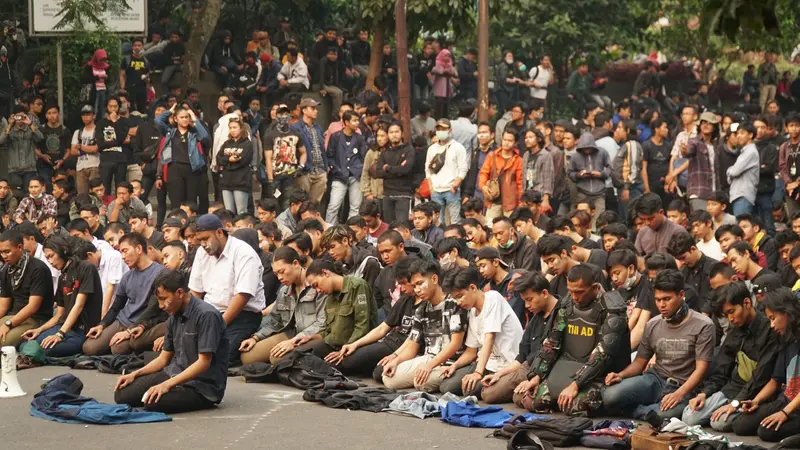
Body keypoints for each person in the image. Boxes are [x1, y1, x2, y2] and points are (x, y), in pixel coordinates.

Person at [516, 264, 629, 416]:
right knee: (529, 399)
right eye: (571, 291)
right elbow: (552, 342)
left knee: (574, 406)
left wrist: (575, 385)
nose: (574, 296)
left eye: (579, 292)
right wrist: (537, 376)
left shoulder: (612, 308)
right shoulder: (568, 303)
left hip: (603, 375)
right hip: (567, 367)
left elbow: (602, 355)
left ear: (594, 287)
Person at [603, 269, 715, 420]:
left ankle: (636, 411)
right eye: (658, 299)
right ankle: (646, 410)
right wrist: (620, 375)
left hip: (684, 386)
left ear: (681, 295)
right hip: (654, 380)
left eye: (667, 299)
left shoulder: (703, 325)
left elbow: (701, 369)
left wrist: (678, 394)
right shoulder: (653, 324)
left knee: (662, 414)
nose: (661, 305)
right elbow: (639, 363)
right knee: (610, 396)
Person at [113, 270, 229, 413]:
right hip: (174, 373)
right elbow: (163, 359)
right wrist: (135, 374)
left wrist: (166, 385)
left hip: (202, 386)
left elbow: (203, 362)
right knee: (122, 394)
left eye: (163, 299)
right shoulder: (173, 316)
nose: (161, 306)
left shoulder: (206, 315)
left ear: (179, 293)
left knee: (153, 402)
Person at [681, 281, 779, 429]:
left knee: (719, 423)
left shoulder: (769, 329)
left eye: (732, 311)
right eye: (726, 315)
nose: (730, 319)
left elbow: (761, 377)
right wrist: (704, 394)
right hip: (730, 389)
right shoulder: (735, 331)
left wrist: (735, 403)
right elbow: (721, 370)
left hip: (754, 394)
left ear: (746, 303)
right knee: (689, 416)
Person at [187, 214, 265, 365]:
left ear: (219, 233)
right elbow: (195, 292)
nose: (203, 244)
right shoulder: (201, 253)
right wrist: (190, 321)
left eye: (205, 239)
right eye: (200, 241)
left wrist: (217, 326)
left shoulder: (244, 253)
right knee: (188, 349)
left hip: (241, 316)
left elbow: (242, 296)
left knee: (218, 356)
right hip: (209, 313)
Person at [380, 259, 468, 392]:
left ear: (434, 279)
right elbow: (412, 346)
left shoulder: (453, 303)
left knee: (422, 383)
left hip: (452, 361)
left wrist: (429, 366)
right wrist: (396, 361)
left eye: (420, 284)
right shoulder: (421, 309)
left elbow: (455, 344)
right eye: (414, 286)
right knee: (388, 378)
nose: (417, 290)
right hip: (428, 358)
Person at [438, 267, 524, 396]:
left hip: (508, 364)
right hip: (489, 364)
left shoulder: (493, 298)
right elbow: (471, 351)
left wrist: (477, 373)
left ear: (472, 288)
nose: (458, 302)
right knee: (446, 386)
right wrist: (454, 366)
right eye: (455, 298)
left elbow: (490, 338)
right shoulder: (472, 312)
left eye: (460, 296)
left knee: (478, 391)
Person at [730, 288, 800, 441]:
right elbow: (775, 380)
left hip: (795, 406)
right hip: (786, 399)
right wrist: (756, 400)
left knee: (766, 432)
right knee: (740, 425)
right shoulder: (785, 339)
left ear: (788, 313)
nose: (772, 325)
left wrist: (785, 413)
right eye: (769, 319)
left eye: (773, 318)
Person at [480, 271, 559, 404]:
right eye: (524, 301)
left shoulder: (561, 314)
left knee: (515, 397)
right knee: (488, 391)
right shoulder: (535, 319)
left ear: (544, 293)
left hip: (550, 369)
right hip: (528, 367)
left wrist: (535, 378)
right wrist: (500, 374)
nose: (527, 306)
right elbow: (521, 357)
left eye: (529, 300)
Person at [238, 246, 327, 365]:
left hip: (313, 335)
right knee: (247, 357)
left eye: (282, 271)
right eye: (276, 274)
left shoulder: (317, 285)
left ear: (295, 263)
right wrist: (256, 338)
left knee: (277, 358)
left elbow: (322, 323)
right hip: (292, 332)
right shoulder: (284, 291)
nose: (279, 277)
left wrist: (293, 341)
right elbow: (275, 320)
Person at [82, 232, 164, 355]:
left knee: (117, 349)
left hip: (143, 322)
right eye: (121, 252)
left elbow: (153, 309)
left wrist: (129, 331)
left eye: (125, 251)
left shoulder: (160, 273)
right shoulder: (127, 277)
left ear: (139, 249)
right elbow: (117, 306)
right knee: (89, 347)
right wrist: (102, 325)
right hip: (122, 320)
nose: (123, 256)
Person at [19, 235, 102, 357]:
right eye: (47, 258)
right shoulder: (62, 277)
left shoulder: (86, 267)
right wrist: (39, 330)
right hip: (64, 327)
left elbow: (78, 306)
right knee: (25, 345)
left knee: (44, 350)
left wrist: (60, 334)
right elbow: (59, 314)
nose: (50, 262)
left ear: (63, 250)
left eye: (52, 256)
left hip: (82, 331)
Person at [287, 259, 376, 359]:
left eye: (316, 285)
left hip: (354, 347)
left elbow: (362, 326)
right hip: (333, 345)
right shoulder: (330, 297)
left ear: (325, 273)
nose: (318, 291)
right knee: (295, 355)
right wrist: (311, 337)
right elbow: (328, 331)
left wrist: (345, 350)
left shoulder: (357, 286)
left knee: (313, 362)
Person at [0, 230, 54, 347]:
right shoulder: (5, 270)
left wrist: (8, 324)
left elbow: (32, 307)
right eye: (1, 252)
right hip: (12, 316)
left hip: (35, 319)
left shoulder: (38, 269)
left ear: (19, 247)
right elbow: (3, 305)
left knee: (3, 341)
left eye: (7, 252)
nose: (3, 256)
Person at [154, 104, 210, 213]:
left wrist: (193, 117)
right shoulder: (170, 131)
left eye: (186, 117)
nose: (184, 120)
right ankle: (177, 224)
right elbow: (157, 121)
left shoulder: (193, 132)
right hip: (174, 168)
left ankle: (191, 225)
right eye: (182, 117)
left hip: (192, 169)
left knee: (191, 202)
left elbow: (205, 137)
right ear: (176, 119)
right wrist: (170, 111)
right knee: (176, 202)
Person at [326, 111, 366, 225]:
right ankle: (329, 230)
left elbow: (364, 156)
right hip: (339, 175)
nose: (357, 123)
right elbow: (329, 156)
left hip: (355, 175)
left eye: (357, 120)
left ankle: (352, 230)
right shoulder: (336, 137)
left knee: (355, 207)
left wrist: (359, 170)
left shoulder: (359, 138)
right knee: (333, 206)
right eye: (354, 120)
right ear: (346, 122)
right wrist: (335, 169)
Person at [425, 119, 468, 225]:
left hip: (451, 190)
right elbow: (428, 170)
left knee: (455, 221)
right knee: (438, 222)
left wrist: (456, 184)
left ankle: (456, 241)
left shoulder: (458, 147)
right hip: (436, 190)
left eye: (443, 129)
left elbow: (463, 168)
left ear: (450, 130)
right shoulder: (431, 149)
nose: (440, 131)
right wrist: (431, 188)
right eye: (438, 129)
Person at [263, 105, 306, 210]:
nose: (284, 116)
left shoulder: (296, 133)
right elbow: (268, 158)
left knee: (288, 202)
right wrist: (270, 180)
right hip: (275, 174)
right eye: (281, 114)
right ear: (276, 116)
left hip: (290, 174)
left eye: (286, 114)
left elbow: (303, 152)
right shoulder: (270, 135)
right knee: (275, 202)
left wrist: (301, 166)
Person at [375, 122, 415, 224]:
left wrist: (388, 168)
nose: (394, 134)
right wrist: (398, 169)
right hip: (387, 194)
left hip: (403, 194)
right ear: (388, 135)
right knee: (389, 227)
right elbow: (378, 173)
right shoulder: (385, 153)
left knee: (401, 226)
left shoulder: (409, 149)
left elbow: (406, 170)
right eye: (391, 132)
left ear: (402, 133)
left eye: (397, 131)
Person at [479, 130, 523, 221]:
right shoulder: (492, 155)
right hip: (493, 200)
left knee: (509, 228)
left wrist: (520, 202)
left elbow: (520, 183)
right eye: (504, 139)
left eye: (510, 141)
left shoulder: (519, 160)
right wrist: (483, 186)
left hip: (510, 202)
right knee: (489, 227)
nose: (506, 143)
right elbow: (484, 173)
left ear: (515, 143)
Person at [291, 98, 328, 203]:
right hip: (306, 171)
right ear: (304, 110)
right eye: (312, 108)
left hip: (320, 170)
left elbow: (322, 148)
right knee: (302, 202)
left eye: (316, 108)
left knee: (315, 203)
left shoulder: (318, 127)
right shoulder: (295, 127)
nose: (316, 111)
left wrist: (325, 168)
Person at [568, 133, 610, 226]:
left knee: (599, 219)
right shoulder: (575, 156)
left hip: (599, 192)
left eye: (589, 148)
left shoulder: (602, 153)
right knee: (581, 219)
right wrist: (579, 175)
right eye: (584, 148)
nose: (587, 150)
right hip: (582, 193)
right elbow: (570, 173)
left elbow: (610, 167)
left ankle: (596, 237)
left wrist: (601, 174)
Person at [1, 106, 42, 197]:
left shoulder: (30, 128)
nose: (19, 119)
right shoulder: (10, 130)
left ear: (25, 116)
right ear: (13, 117)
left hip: (29, 168)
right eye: (17, 117)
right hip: (14, 168)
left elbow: (40, 138)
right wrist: (10, 125)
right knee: (15, 194)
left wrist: (30, 123)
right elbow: (1, 141)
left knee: (31, 194)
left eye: (21, 116)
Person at [216, 117, 253, 215]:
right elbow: (218, 159)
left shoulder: (247, 144)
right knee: (228, 212)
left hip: (241, 182)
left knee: (241, 211)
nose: (232, 130)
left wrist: (227, 163)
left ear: (241, 128)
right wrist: (229, 160)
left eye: (235, 127)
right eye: (230, 127)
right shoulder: (226, 143)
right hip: (226, 182)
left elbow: (243, 161)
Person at [727, 122, 760, 216]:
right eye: (737, 133)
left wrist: (729, 170)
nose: (738, 136)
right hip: (740, 195)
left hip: (743, 196)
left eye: (742, 133)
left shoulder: (750, 151)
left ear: (750, 135)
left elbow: (734, 171)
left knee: (742, 227)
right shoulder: (744, 151)